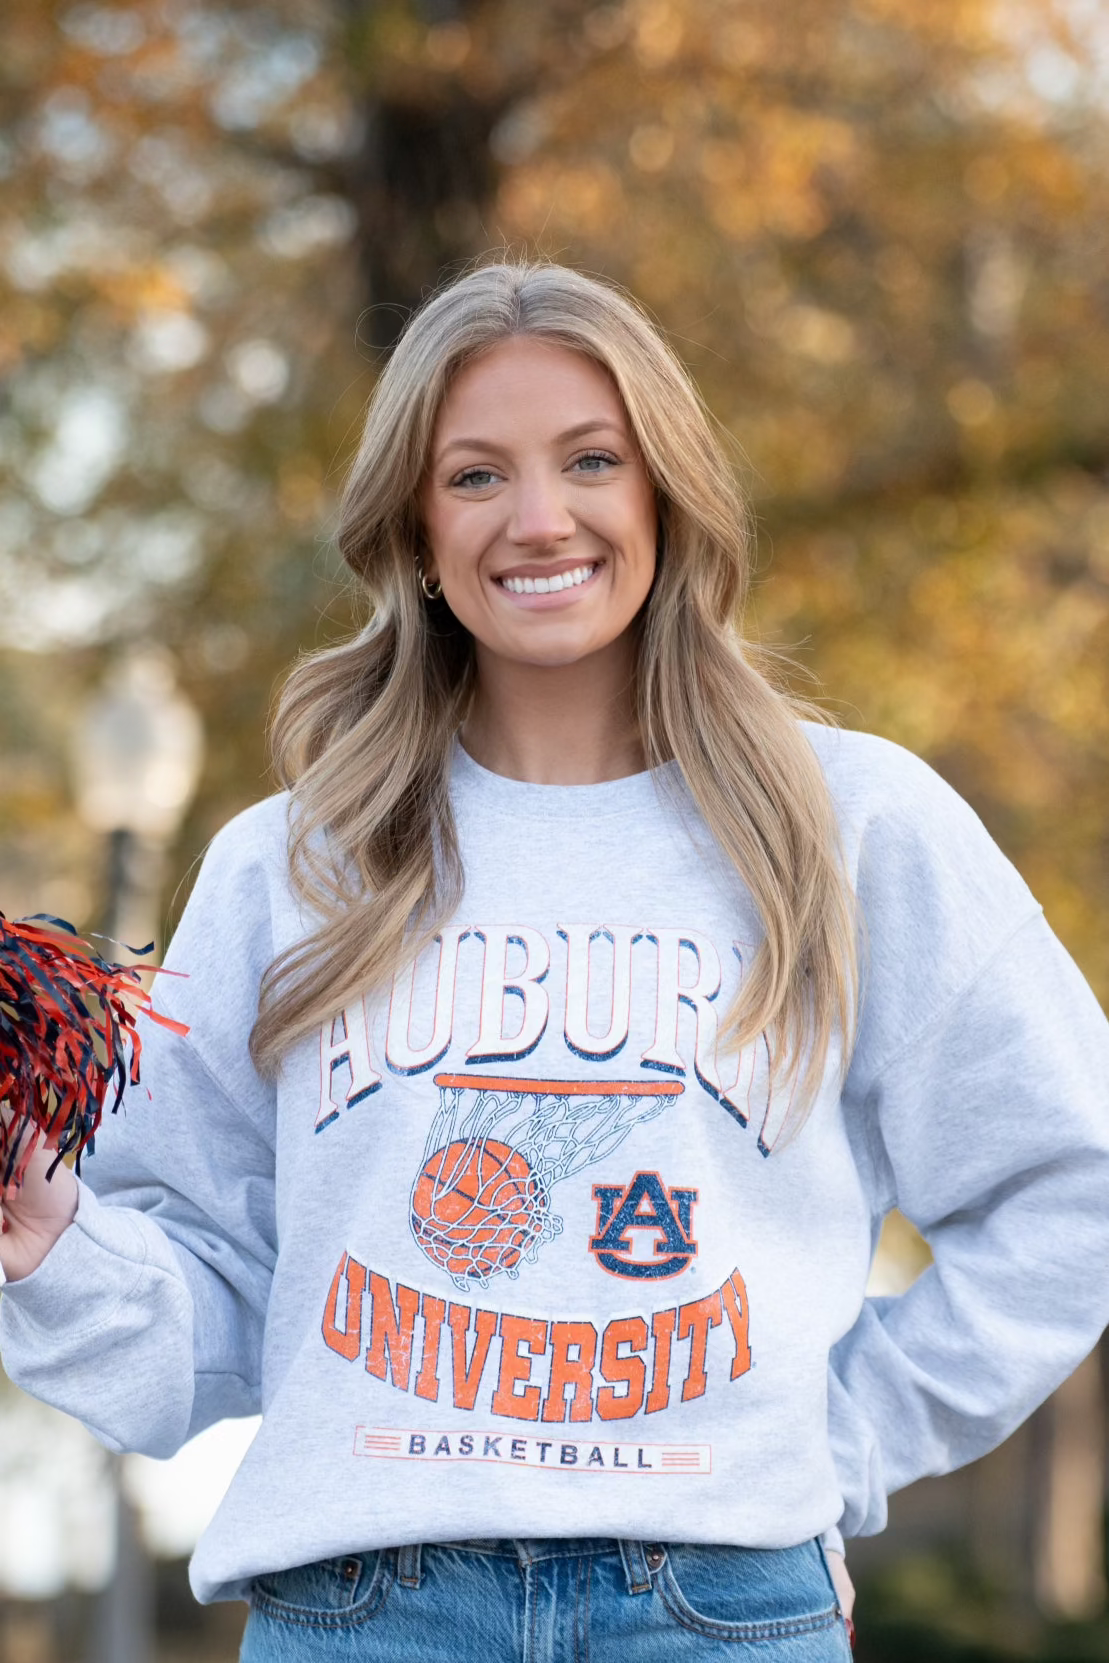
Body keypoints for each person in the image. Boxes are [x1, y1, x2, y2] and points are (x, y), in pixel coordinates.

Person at [3, 260, 1109, 1662]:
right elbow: (209, 1317)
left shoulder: (851, 826)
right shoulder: (292, 864)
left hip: (718, 1609)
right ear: (411, 525)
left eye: (592, 459)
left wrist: (834, 1440)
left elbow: (1071, 1186)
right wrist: (48, 1249)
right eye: (475, 475)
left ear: (667, 492)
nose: (540, 519)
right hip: (366, 1610)